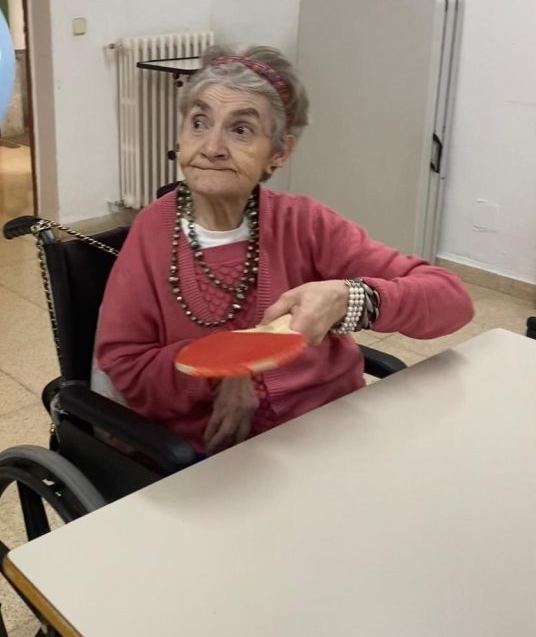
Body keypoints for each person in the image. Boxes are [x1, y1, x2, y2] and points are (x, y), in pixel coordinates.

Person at [94, 45, 474, 455]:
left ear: (279, 153)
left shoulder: (305, 223)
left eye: (241, 130)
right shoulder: (153, 231)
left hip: (333, 431)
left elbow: (451, 300)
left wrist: (351, 298)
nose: (212, 147)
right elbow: (126, 365)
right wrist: (222, 371)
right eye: (199, 123)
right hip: (220, 458)